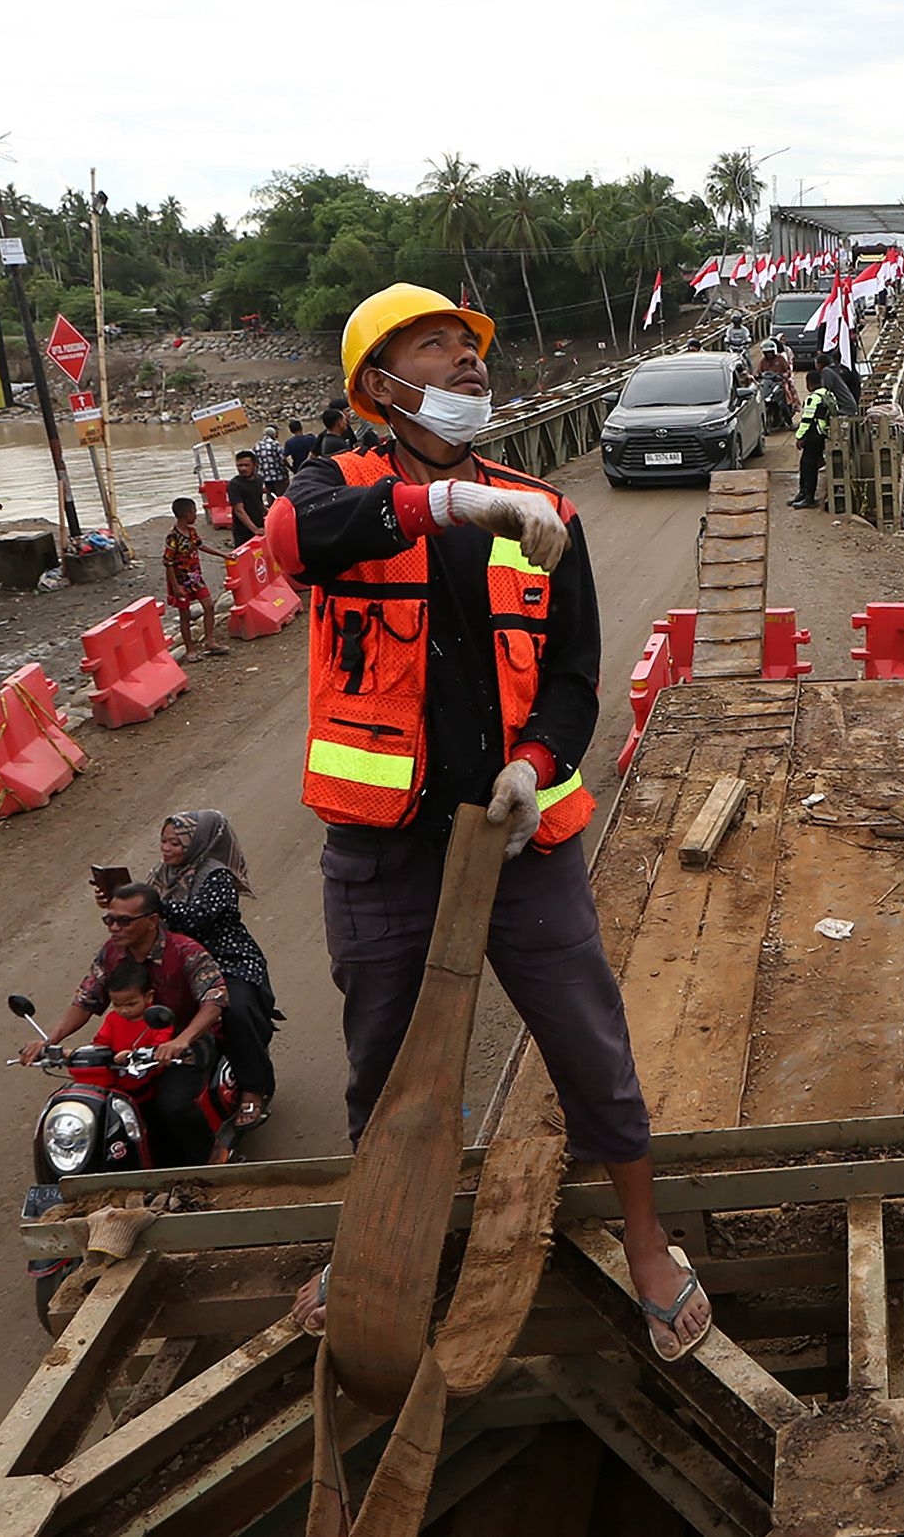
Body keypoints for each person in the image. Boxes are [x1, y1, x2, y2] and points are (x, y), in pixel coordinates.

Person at [265, 282, 710, 1358]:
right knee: (386, 1060)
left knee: (589, 1045)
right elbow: (290, 539)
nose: (472, 366)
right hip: (383, 847)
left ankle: (648, 1240)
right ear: (379, 384)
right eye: (440, 348)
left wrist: (534, 761)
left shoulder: (545, 511)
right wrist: (456, 507)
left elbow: (574, 672)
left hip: (520, 842)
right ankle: (378, 1239)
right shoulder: (340, 488)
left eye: (474, 351)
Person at [22, 884, 229, 1167]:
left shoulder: (185, 951)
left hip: (187, 1043)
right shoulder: (110, 954)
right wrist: (50, 1041)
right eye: (109, 920)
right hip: (129, 1047)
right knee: (96, 1102)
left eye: (124, 921)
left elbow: (215, 999)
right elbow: (87, 999)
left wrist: (182, 1040)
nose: (114, 927)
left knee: (172, 1103)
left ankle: (210, 1154)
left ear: (152, 920)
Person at [148, 810, 280, 1130]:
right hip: (179, 961)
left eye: (175, 843)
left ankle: (253, 1089)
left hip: (226, 959)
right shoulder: (161, 875)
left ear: (197, 845)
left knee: (235, 1010)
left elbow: (199, 918)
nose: (166, 849)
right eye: (163, 841)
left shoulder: (216, 875)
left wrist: (153, 905)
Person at [73, 960, 179, 1101]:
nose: (124, 1010)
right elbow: (101, 1042)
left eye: (131, 1004)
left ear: (148, 997)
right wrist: (78, 1054)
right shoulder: (112, 1018)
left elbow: (160, 1047)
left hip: (147, 1085)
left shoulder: (159, 1018)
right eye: (117, 1004)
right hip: (115, 1085)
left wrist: (132, 1055)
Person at [162, 496, 229, 659]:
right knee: (184, 615)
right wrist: (176, 587)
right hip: (181, 581)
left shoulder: (191, 532)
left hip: (195, 578)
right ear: (187, 514)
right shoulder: (173, 537)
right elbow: (168, 563)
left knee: (209, 605)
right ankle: (190, 649)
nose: (196, 516)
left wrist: (223, 555)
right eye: (194, 512)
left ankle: (209, 641)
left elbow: (200, 545)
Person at [792, 365, 837, 510]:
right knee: (808, 464)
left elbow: (806, 421)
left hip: (813, 436)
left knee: (808, 466)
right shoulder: (828, 394)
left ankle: (808, 497)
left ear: (809, 383)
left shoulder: (813, 399)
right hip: (823, 435)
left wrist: (799, 437)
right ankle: (803, 493)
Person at [228, 449, 269, 546]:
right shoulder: (234, 485)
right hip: (243, 530)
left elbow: (258, 500)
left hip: (259, 523)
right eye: (239, 465)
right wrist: (254, 529)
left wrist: (268, 511)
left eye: (246, 465)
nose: (242, 469)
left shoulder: (259, 480)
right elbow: (239, 510)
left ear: (255, 465)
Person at [254, 425, 290, 499]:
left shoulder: (257, 446)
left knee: (270, 498)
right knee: (282, 498)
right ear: (273, 434)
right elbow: (282, 460)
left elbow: (255, 463)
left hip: (265, 478)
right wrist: (287, 471)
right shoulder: (275, 444)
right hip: (279, 476)